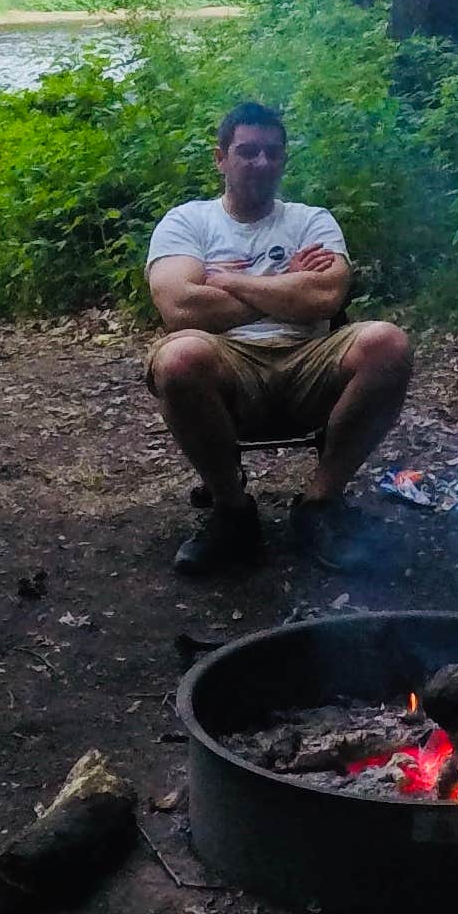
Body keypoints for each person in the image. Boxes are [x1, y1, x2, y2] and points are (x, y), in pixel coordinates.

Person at [144, 100, 413, 575]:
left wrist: (225, 281)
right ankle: (232, 512)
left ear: (285, 158)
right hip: (227, 360)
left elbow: (326, 296)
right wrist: (285, 282)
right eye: (247, 152)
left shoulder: (311, 221)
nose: (261, 163)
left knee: (388, 342)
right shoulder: (188, 222)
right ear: (221, 157)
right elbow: (179, 308)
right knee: (180, 356)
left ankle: (320, 505)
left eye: (272, 152)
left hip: (311, 356)